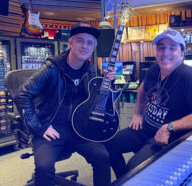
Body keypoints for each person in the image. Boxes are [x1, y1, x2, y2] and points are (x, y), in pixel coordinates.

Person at [14, 22, 116, 186]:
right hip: (51, 127)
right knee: (43, 167)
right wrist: (39, 127)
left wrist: (106, 82)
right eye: (80, 40)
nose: (84, 46)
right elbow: (22, 95)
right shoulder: (51, 68)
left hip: (80, 129)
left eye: (89, 43)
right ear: (70, 43)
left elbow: (94, 101)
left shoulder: (91, 70)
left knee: (103, 157)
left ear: (93, 47)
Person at [107, 28, 192, 178]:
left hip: (166, 138)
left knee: (134, 169)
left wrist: (169, 127)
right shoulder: (155, 69)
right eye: (161, 48)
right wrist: (138, 113)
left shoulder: (190, 77)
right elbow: (142, 89)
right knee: (108, 145)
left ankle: (128, 178)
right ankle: (122, 180)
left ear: (181, 55)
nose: (165, 53)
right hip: (144, 129)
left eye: (172, 48)